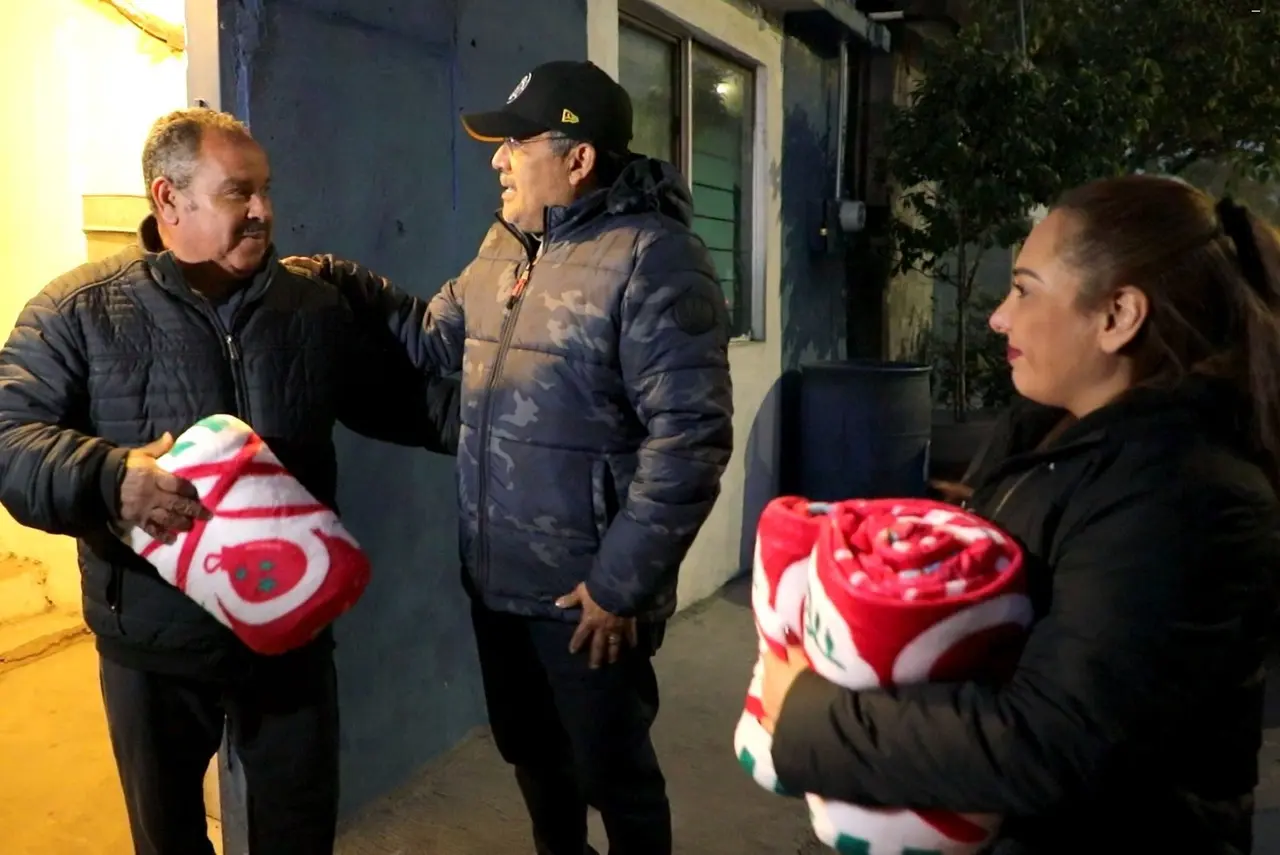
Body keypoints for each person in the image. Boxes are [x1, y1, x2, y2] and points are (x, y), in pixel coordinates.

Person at [758, 174, 1280, 854]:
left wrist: (804, 713)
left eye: (1025, 289)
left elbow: (1051, 742)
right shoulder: (1053, 433)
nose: (999, 316)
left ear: (1118, 314)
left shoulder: (1191, 496)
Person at [288, 60, 734, 855]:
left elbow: (691, 438)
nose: (496, 158)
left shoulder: (654, 259)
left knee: (616, 778)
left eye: (513, 141)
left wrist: (619, 584)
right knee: (534, 757)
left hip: (585, 597)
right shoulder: (506, 247)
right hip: (498, 580)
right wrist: (348, 281)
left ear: (578, 158)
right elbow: (432, 338)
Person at [0, 108, 461, 855]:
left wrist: (542, 429)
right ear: (168, 199)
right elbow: (9, 438)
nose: (264, 211)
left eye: (266, 191)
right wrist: (109, 477)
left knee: (298, 832)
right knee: (169, 838)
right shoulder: (77, 311)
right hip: (154, 643)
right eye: (237, 193)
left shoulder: (309, 306)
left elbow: (414, 407)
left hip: (292, 633)